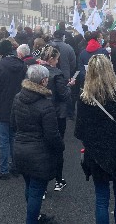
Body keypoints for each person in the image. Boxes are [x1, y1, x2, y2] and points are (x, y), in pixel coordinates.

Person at [75, 55, 116, 224]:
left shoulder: (85, 98)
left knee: (102, 198)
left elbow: (80, 130)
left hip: (97, 151)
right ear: (110, 70)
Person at [11, 65, 65, 224]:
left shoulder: (18, 97)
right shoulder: (46, 104)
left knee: (29, 187)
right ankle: (32, 220)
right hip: (39, 153)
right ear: (43, 81)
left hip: (20, 148)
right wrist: (60, 147)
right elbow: (52, 135)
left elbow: (13, 123)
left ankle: (35, 216)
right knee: (36, 191)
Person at [0, 39, 26, 179]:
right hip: (18, 105)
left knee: (3, 140)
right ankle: (16, 166)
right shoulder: (22, 65)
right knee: (14, 137)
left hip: (2, 106)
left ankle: (3, 170)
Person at [39, 46, 73, 192]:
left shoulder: (36, 71)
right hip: (57, 112)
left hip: (40, 111)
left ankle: (42, 185)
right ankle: (58, 179)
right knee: (57, 147)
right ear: (51, 59)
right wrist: (69, 87)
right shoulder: (57, 74)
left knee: (42, 146)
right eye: (57, 58)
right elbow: (64, 95)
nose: (58, 61)